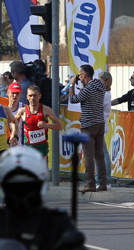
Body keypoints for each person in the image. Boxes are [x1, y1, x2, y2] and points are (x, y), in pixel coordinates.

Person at [68, 64, 107, 193]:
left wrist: (72, 85)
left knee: (89, 156)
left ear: (84, 75)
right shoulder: (100, 86)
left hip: (88, 125)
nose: (78, 77)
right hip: (100, 123)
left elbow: (73, 99)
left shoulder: (87, 90)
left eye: (79, 75)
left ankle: (90, 184)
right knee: (99, 155)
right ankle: (102, 183)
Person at [15, 85, 61, 160]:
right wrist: (15, 133)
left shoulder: (46, 110)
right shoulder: (22, 111)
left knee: (39, 170)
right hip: (28, 146)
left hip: (42, 147)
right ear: (27, 96)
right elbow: (14, 121)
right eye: (30, 95)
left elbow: (59, 126)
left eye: (35, 95)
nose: (32, 98)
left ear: (40, 96)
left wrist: (46, 125)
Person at [96, 71, 113, 189]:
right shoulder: (103, 93)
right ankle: (103, 179)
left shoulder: (105, 94)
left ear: (106, 82)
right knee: (100, 153)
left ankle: (105, 180)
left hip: (101, 124)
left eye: (100, 80)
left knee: (102, 153)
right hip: (100, 123)